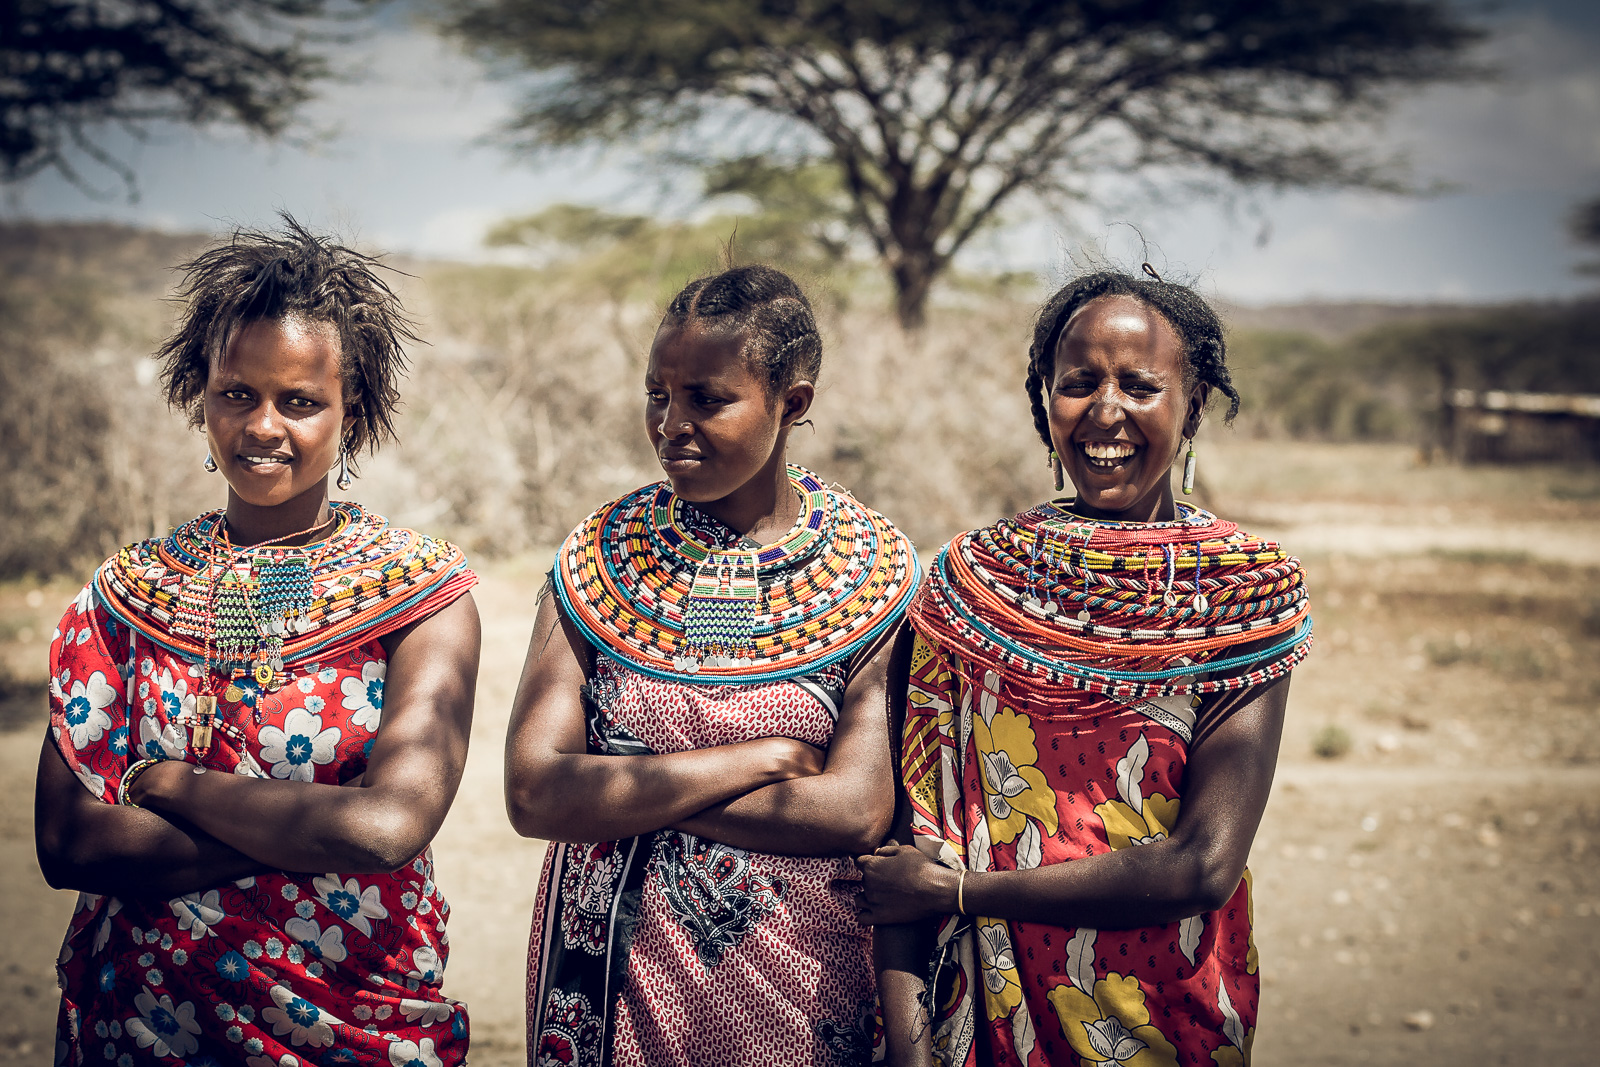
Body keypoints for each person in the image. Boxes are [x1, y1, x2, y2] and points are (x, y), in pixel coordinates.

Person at [35, 217, 481, 1067]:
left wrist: (161, 782)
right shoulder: (130, 593)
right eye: (237, 393)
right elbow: (66, 842)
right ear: (199, 394)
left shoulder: (418, 592)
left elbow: (390, 825)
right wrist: (309, 834)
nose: (263, 426)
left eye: (301, 401)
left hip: (349, 1017)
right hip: (142, 1021)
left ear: (354, 413)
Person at [858, 269, 1313, 1067]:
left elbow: (1202, 864)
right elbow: (909, 847)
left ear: (1193, 404)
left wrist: (967, 893)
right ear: (1045, 403)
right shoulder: (973, 589)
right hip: (983, 1017)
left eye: (1140, 385)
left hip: (1164, 1017)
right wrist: (909, 1050)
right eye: (1078, 383)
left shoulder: (1241, 596)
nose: (1106, 411)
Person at [506, 265, 919, 1067]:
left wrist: (623, 792)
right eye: (657, 393)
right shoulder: (597, 560)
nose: (670, 424)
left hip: (799, 983)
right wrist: (759, 761)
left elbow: (853, 810)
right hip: (607, 980)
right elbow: (533, 791)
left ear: (792, 404)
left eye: (706, 398)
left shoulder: (876, 575)